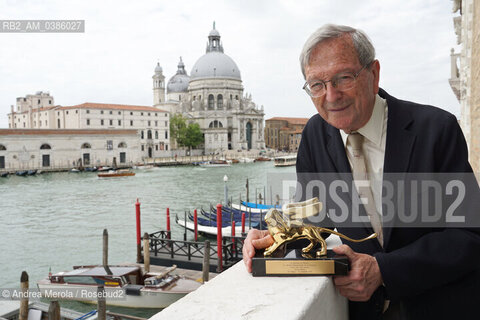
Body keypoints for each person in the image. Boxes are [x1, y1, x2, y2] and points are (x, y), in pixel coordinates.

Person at [243, 24, 480, 319]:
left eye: (344, 78)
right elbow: (316, 218)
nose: (331, 96)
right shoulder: (315, 135)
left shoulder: (436, 129)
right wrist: (274, 238)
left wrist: (384, 270)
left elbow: (470, 236)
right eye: (317, 84)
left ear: (374, 73)